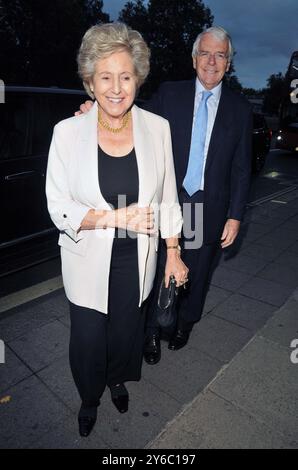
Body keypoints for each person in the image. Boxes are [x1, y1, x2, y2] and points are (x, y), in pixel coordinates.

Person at [76, 26, 253, 365]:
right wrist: (94, 113)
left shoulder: (240, 109)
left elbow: (242, 168)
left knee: (195, 270)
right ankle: (153, 331)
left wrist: (235, 215)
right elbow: (129, 114)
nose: (212, 61)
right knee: (157, 267)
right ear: (193, 59)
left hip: (203, 204)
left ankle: (184, 323)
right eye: (205, 53)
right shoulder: (170, 95)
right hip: (168, 198)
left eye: (220, 55)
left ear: (228, 63)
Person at [46, 22, 188, 438]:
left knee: (126, 333)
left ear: (138, 79)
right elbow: (57, 207)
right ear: (90, 81)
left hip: (136, 258)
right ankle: (89, 398)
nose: (115, 87)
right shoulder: (68, 133)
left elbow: (168, 199)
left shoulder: (157, 128)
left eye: (125, 76)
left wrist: (174, 251)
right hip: (87, 259)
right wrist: (112, 218)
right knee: (89, 340)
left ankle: (116, 380)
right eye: (105, 76)